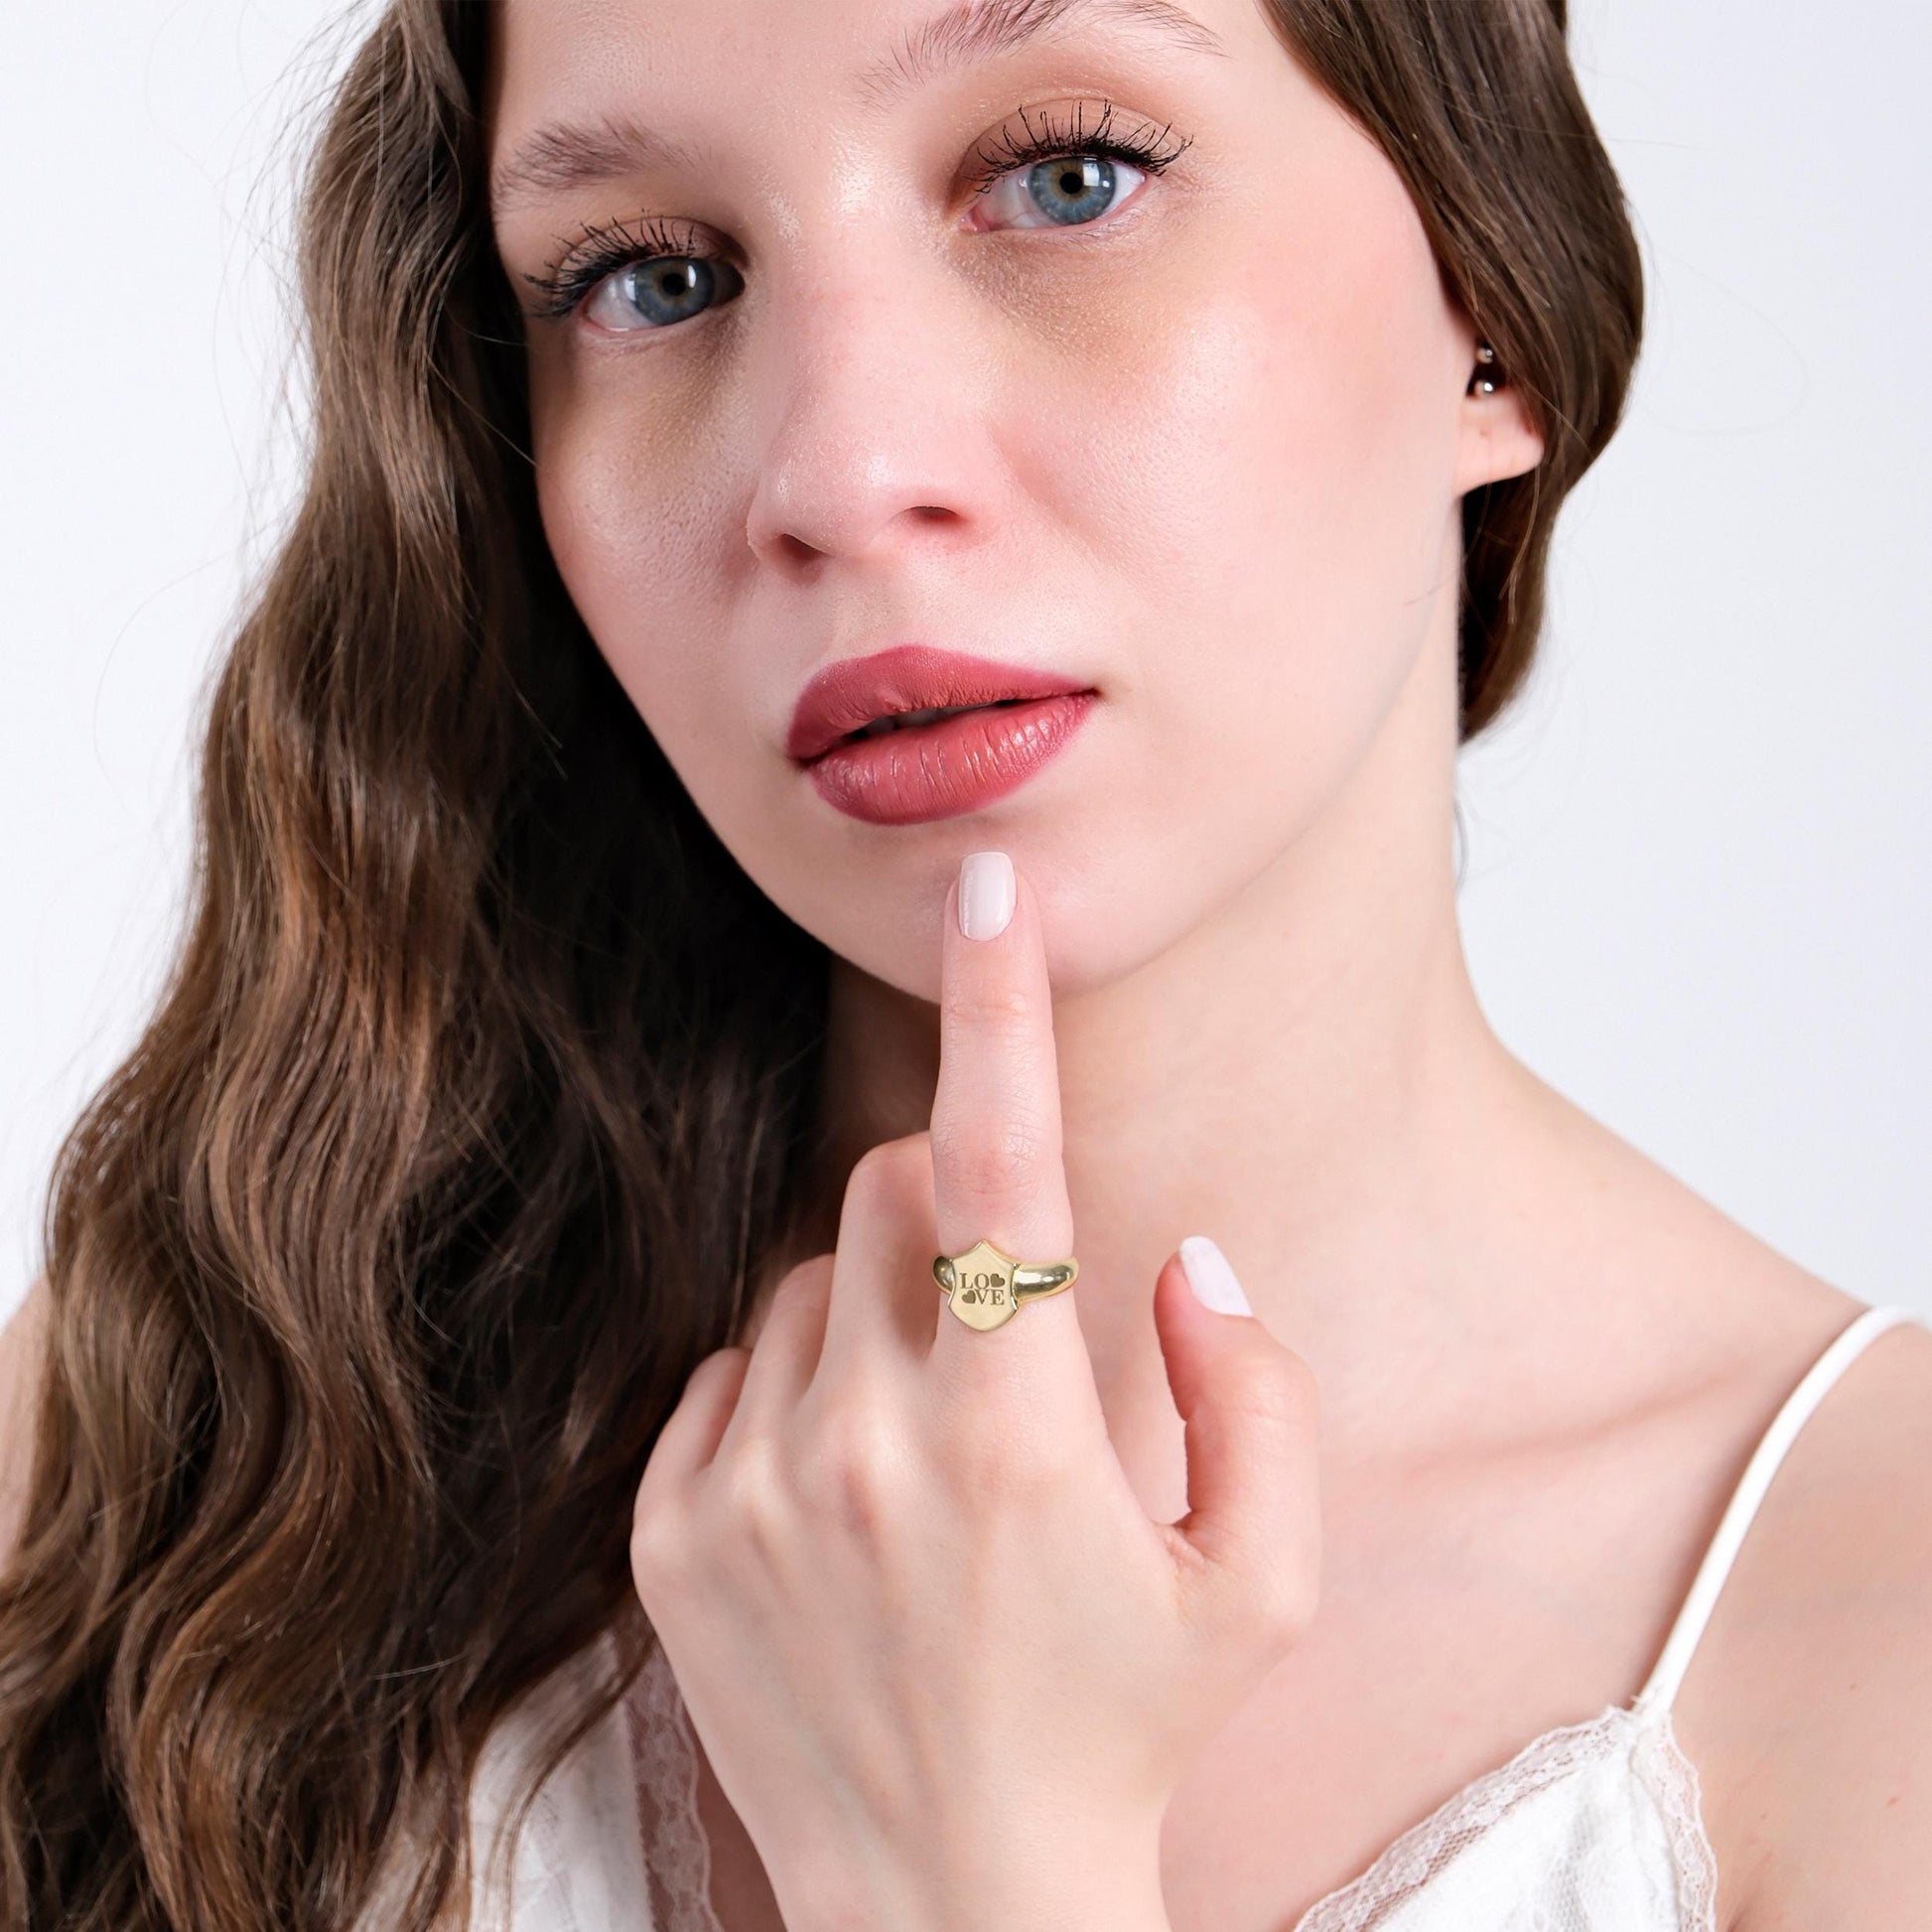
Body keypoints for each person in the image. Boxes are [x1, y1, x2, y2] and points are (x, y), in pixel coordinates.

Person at [2, 0, 1927, 1925]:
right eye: (653, 277)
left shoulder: (1872, 1629)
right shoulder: (190, 1467)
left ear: (1489, 302)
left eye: (1066, 177)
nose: (837, 472)